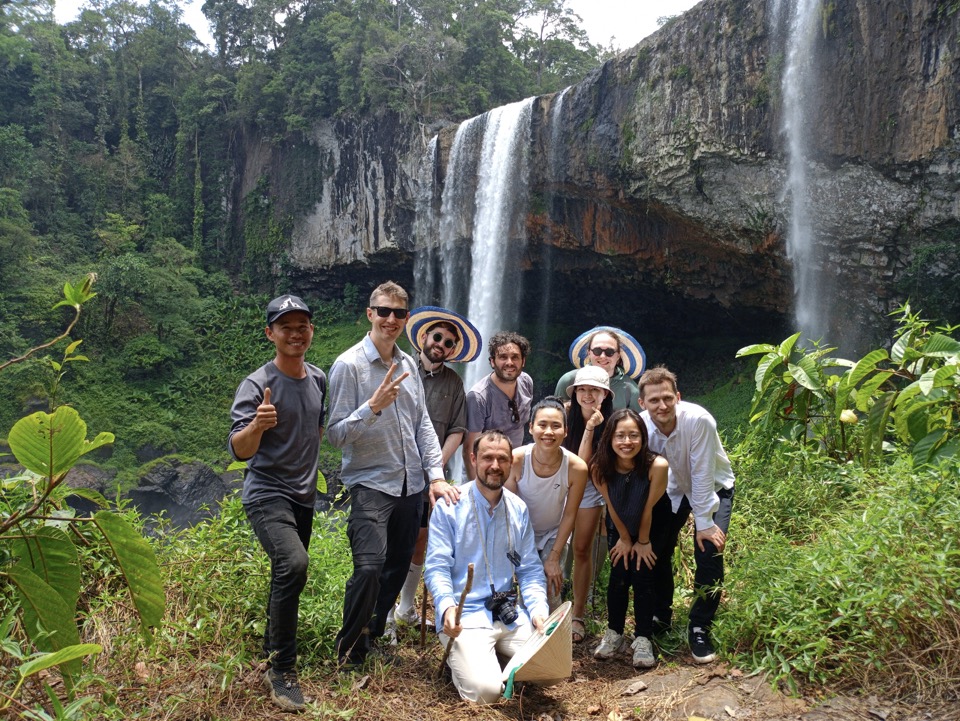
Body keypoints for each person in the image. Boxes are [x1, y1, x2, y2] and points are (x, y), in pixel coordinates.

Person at [326, 281, 460, 668]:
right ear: (370, 314)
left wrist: (435, 475)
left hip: (411, 486)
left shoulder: (407, 365)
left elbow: (423, 427)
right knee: (368, 567)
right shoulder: (348, 366)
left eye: (398, 313)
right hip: (370, 483)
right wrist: (372, 406)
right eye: (383, 311)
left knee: (398, 565)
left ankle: (370, 634)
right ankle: (348, 651)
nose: (390, 319)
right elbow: (335, 436)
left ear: (406, 319)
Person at [228, 294, 326, 711]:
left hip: (303, 496)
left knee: (288, 572)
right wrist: (257, 425)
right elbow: (239, 449)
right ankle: (282, 670)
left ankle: (272, 647)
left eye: (301, 325)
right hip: (267, 492)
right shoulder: (256, 383)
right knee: (294, 564)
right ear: (271, 333)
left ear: (311, 331)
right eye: (285, 326)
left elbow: (317, 431)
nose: (295, 333)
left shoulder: (320, 379)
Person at [424, 431, 549, 704]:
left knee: (551, 670)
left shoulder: (518, 509)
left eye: (502, 459)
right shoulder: (450, 506)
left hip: (508, 615)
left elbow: (529, 569)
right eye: (487, 458)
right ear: (473, 459)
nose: (495, 465)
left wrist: (539, 611)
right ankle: (477, 662)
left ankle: (492, 658)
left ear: (510, 463)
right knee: (487, 692)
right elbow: (436, 566)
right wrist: (446, 607)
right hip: (464, 617)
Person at [385, 306, 481, 636]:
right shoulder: (399, 367)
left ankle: (406, 608)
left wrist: (436, 466)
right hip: (393, 471)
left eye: (449, 342)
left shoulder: (454, 383)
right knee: (389, 542)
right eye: (437, 336)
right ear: (424, 337)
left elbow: (457, 429)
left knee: (420, 540)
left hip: (431, 477)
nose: (441, 344)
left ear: (454, 350)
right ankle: (382, 618)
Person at [638, 366, 735, 664]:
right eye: (654, 400)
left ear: (678, 397)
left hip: (714, 487)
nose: (662, 406)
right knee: (658, 549)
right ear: (642, 403)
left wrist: (703, 524)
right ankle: (661, 614)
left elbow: (702, 473)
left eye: (668, 398)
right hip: (671, 490)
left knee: (708, 551)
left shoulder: (698, 420)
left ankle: (700, 625)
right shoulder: (640, 426)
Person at [589, 408, 670, 669]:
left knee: (643, 573)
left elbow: (647, 508)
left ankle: (643, 637)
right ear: (610, 439)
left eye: (633, 435)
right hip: (620, 520)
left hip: (654, 521)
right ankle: (614, 633)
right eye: (620, 436)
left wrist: (642, 542)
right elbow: (611, 504)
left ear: (643, 438)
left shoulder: (656, 465)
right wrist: (624, 538)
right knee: (619, 573)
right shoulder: (600, 468)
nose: (627, 442)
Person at [505, 397, 588, 610]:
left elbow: (570, 515)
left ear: (566, 431)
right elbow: (507, 511)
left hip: (554, 532)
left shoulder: (576, 467)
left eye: (556, 426)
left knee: (551, 589)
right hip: (521, 532)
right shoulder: (516, 460)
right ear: (531, 428)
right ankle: (522, 638)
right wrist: (519, 553)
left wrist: (554, 557)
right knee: (527, 591)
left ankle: (555, 636)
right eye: (542, 425)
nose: (548, 432)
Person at [560, 365, 615, 643]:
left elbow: (583, 465)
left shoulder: (612, 423)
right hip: (557, 485)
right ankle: (548, 608)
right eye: (583, 388)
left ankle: (578, 614)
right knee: (550, 547)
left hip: (590, 490)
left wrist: (591, 427)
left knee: (581, 549)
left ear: (605, 393)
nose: (588, 394)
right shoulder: (563, 415)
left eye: (594, 389)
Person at [463, 331, 534, 480]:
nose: (509, 362)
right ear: (492, 361)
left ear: (523, 361)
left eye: (515, 357)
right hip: (487, 472)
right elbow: (469, 448)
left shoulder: (526, 382)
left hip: (516, 468)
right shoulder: (478, 397)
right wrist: (475, 488)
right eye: (503, 357)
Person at [554, 327, 644, 411]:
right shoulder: (569, 381)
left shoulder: (632, 390)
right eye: (597, 351)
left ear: (618, 356)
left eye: (609, 352)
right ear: (589, 353)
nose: (603, 356)